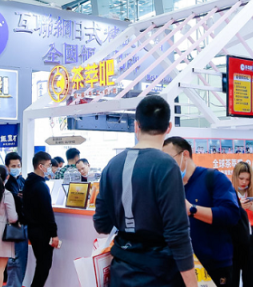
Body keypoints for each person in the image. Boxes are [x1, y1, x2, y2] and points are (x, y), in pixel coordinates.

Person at [94, 96, 197, 287]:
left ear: (136, 126)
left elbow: (101, 224)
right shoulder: (166, 166)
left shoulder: (112, 165)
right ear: (168, 127)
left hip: (121, 272)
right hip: (159, 274)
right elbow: (177, 234)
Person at [163, 137, 240, 287]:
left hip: (215, 265)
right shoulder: (170, 186)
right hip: (182, 266)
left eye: (169, 159)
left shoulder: (214, 178)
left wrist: (192, 209)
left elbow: (231, 215)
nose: (165, 166)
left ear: (185, 155)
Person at [23, 151, 59, 287]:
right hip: (43, 232)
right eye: (49, 165)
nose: (50, 168)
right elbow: (47, 212)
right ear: (40, 166)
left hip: (32, 229)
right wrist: (54, 233)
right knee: (44, 265)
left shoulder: (28, 183)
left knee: (41, 264)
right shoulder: (41, 186)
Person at [231, 162, 253, 287]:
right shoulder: (228, 194)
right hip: (233, 239)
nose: (244, 182)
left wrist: (252, 208)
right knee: (232, 278)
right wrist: (240, 208)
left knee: (250, 277)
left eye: (247, 179)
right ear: (235, 177)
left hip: (250, 238)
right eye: (241, 178)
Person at [4, 152, 27, 287]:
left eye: (18, 165)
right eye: (13, 166)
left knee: (21, 260)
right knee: (15, 261)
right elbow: (16, 201)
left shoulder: (22, 180)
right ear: (7, 167)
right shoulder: (7, 184)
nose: (16, 168)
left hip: (23, 224)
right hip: (13, 226)